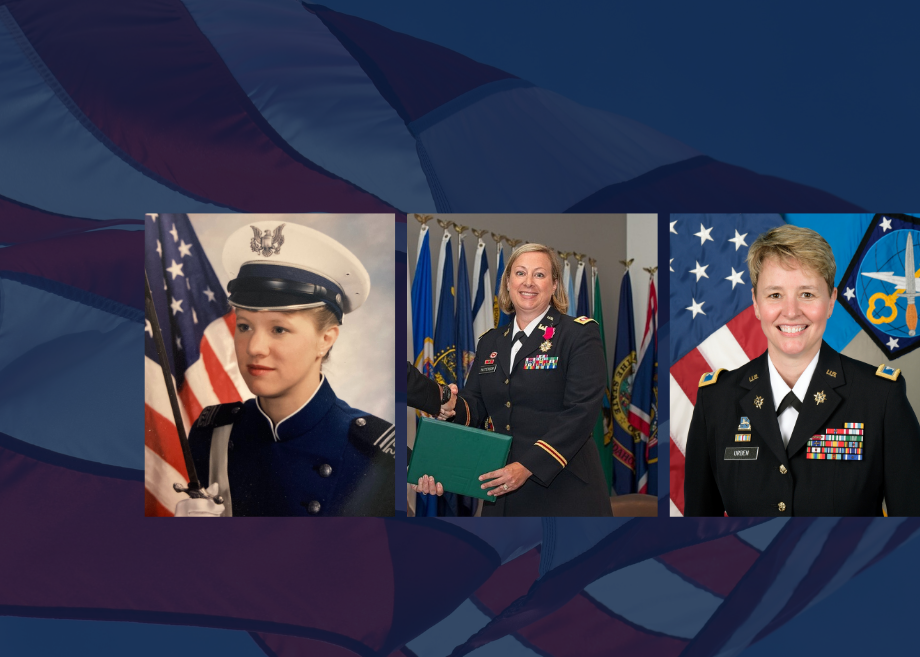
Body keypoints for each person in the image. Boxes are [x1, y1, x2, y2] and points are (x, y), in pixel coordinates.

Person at [682, 224, 919, 518]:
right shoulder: (716, 401)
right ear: (756, 303)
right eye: (775, 295)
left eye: (807, 294)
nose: (791, 311)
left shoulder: (880, 398)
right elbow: (700, 537)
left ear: (831, 301)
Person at [176, 221, 394, 517]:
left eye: (278, 329)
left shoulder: (376, 455)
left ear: (325, 340)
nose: (254, 347)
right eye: (244, 326)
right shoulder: (212, 435)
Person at [415, 243, 610, 517]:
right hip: (502, 491)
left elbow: (581, 413)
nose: (528, 282)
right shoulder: (490, 342)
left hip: (564, 491)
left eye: (539, 275)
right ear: (508, 282)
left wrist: (527, 466)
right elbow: (476, 407)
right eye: (520, 273)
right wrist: (449, 407)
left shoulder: (577, 335)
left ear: (554, 285)